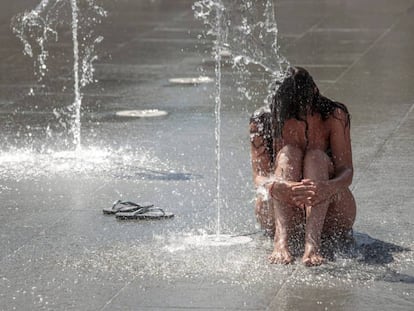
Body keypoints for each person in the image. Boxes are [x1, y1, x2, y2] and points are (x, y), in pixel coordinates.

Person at [250, 66, 356, 266]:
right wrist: (275, 186)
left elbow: (347, 171)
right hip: (279, 213)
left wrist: (328, 187)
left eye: (303, 109)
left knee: (316, 158)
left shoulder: (334, 115)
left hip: (331, 215)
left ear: (314, 95)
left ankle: (312, 245)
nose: (298, 118)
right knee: (288, 155)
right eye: (290, 112)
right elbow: (258, 178)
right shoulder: (263, 119)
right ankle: (281, 242)